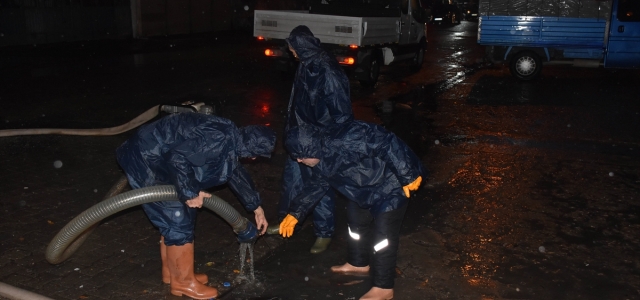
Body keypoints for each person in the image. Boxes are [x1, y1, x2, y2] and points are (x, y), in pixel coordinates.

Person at [115, 112, 276, 299]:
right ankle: (182, 283)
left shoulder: (231, 138)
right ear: (252, 151)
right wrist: (191, 192)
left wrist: (257, 207)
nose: (254, 159)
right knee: (178, 219)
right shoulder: (218, 139)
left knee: (180, 217)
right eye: (256, 155)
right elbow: (177, 158)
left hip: (155, 155)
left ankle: (173, 274)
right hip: (145, 158)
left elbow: (234, 171)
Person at [278, 122, 425, 300]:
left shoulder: (344, 138)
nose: (298, 160)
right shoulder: (318, 158)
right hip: (361, 190)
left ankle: (384, 287)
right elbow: (317, 184)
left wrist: (406, 173)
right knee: (356, 224)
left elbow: (385, 141)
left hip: (390, 184)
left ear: (312, 148)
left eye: (301, 156)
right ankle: (358, 263)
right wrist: (295, 213)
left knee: (383, 239)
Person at [267, 25, 354, 254]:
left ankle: (324, 232)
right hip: (299, 138)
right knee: (292, 181)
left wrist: (331, 145)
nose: (291, 52)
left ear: (302, 47)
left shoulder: (329, 72)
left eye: (292, 48)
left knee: (318, 186)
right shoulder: (306, 64)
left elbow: (342, 115)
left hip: (319, 141)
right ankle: (288, 221)